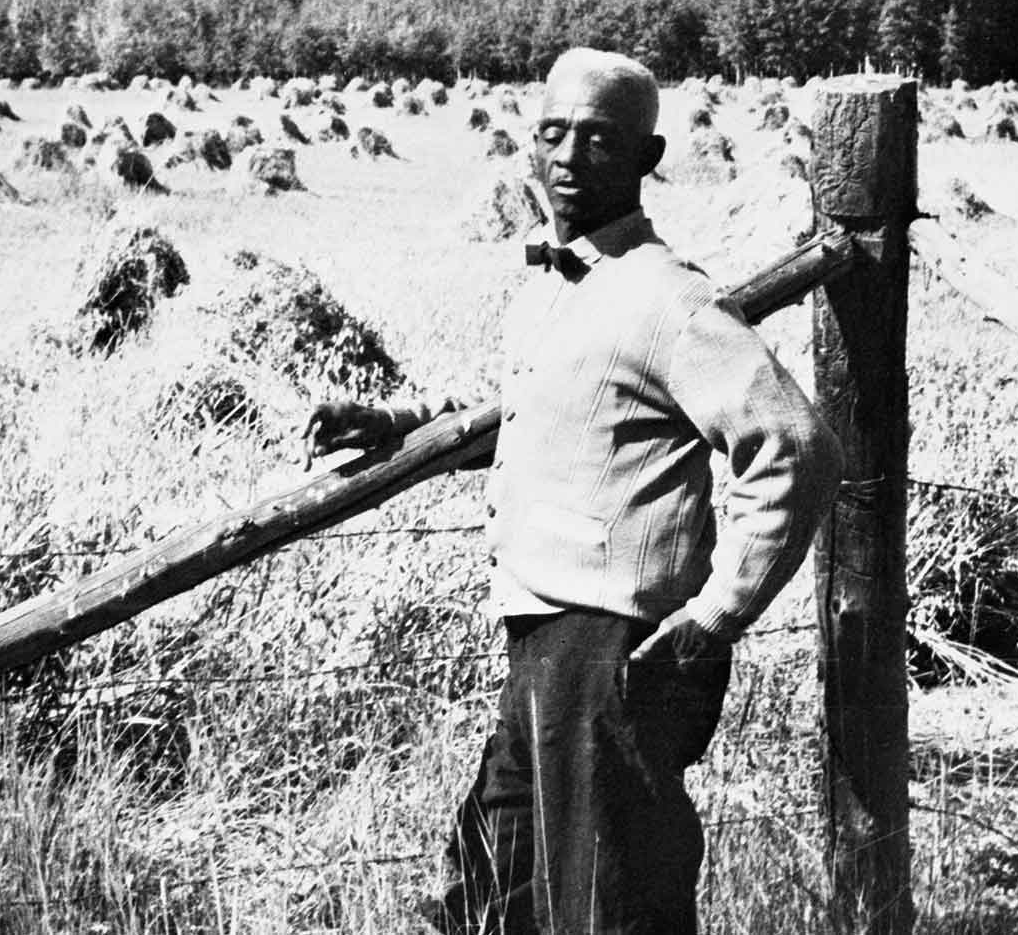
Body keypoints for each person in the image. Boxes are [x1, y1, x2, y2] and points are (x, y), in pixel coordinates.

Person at [302, 48, 843, 934]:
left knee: (612, 904)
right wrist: (397, 421)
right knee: (495, 892)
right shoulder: (557, 286)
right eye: (551, 132)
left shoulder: (667, 298)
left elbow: (796, 446)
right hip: (544, 641)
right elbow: (533, 414)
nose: (565, 157)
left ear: (648, 157)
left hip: (615, 646)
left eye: (597, 140)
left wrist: (713, 619)